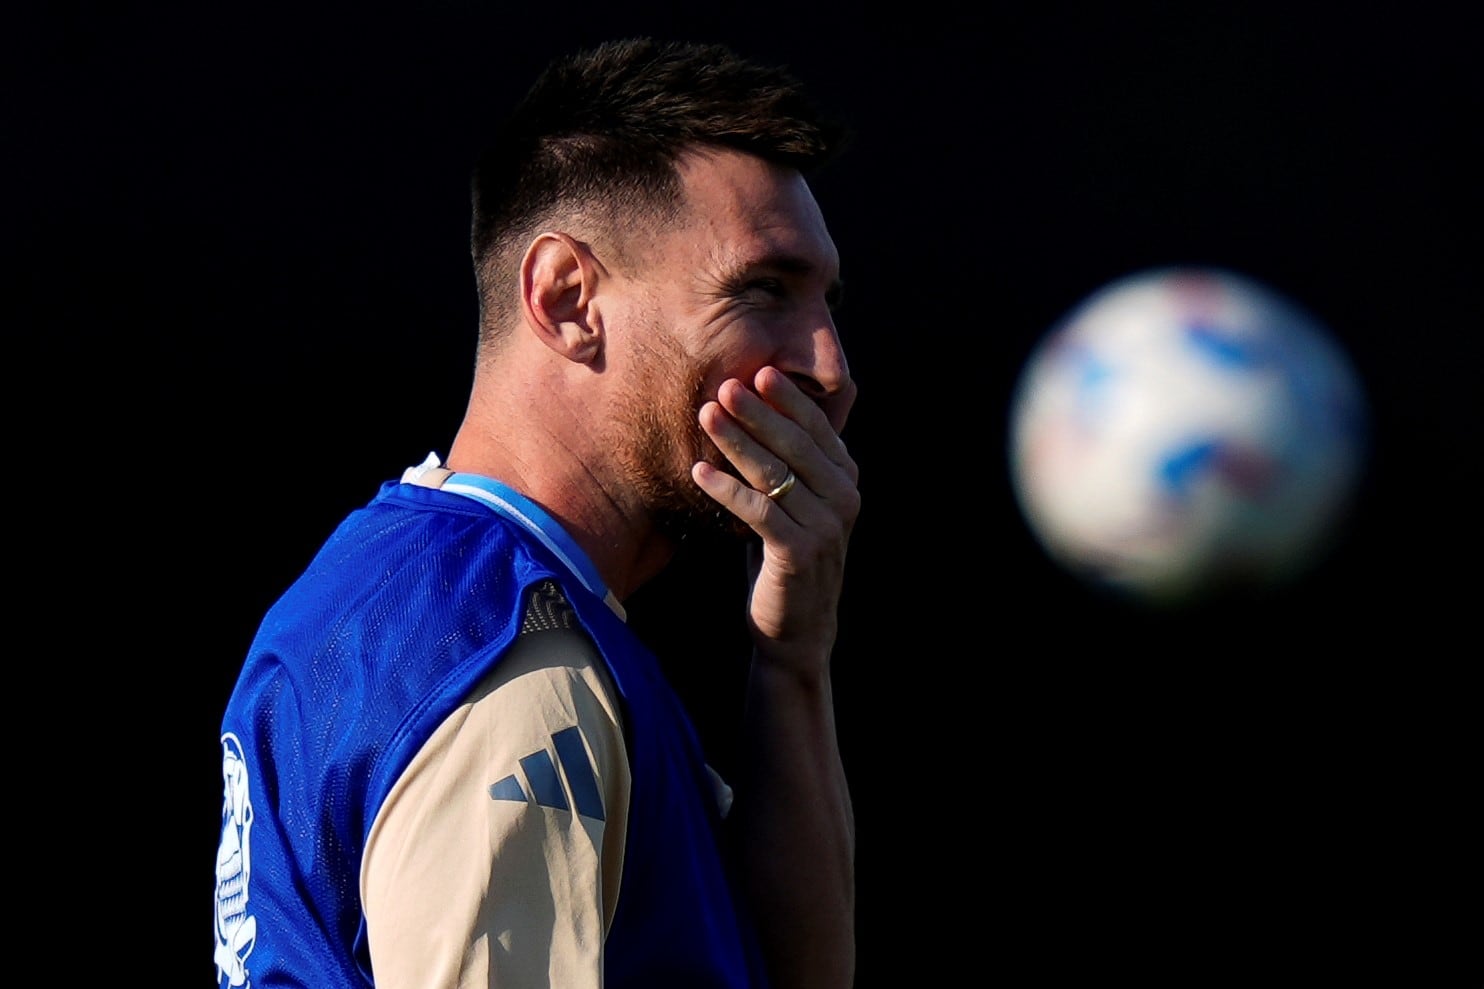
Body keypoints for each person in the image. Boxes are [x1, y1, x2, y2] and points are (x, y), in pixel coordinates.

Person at [214, 36, 859, 989]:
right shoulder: (511, 665)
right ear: (567, 299)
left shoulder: (405, 591)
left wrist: (793, 662)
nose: (832, 368)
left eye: (826, 303)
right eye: (763, 290)